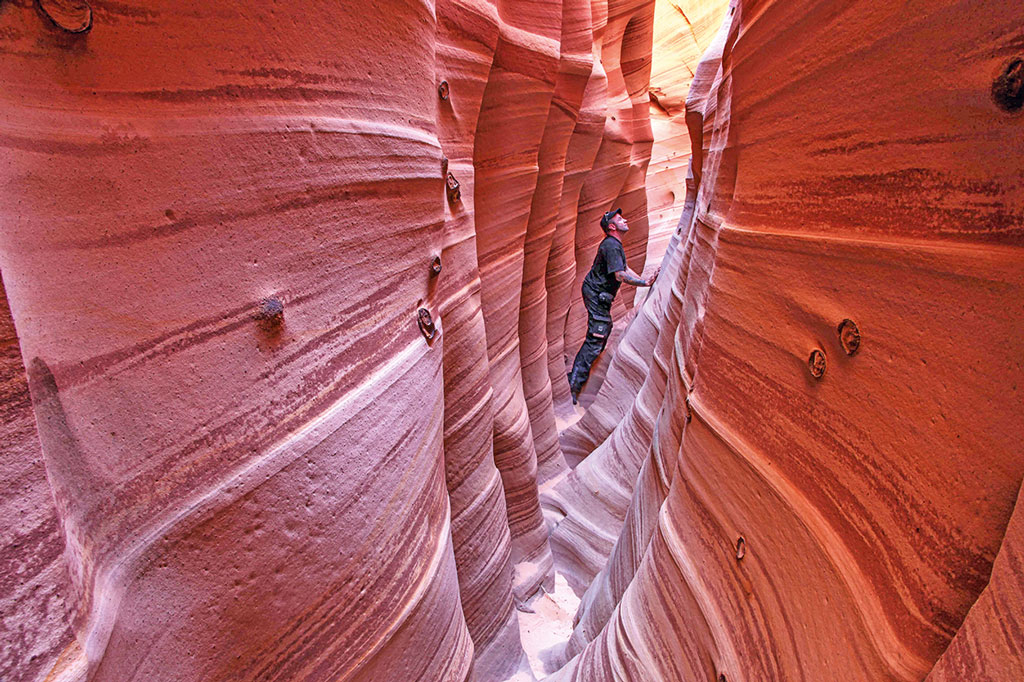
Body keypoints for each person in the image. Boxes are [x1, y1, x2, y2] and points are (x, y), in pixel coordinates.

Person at [567, 208, 659, 404]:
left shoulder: (615, 245)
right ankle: (573, 385)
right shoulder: (611, 245)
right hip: (596, 293)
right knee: (596, 337)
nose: (625, 220)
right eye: (620, 219)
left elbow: (623, 268)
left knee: (602, 331)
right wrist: (644, 284)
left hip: (599, 294)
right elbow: (620, 275)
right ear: (612, 226)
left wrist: (643, 280)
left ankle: (576, 375)